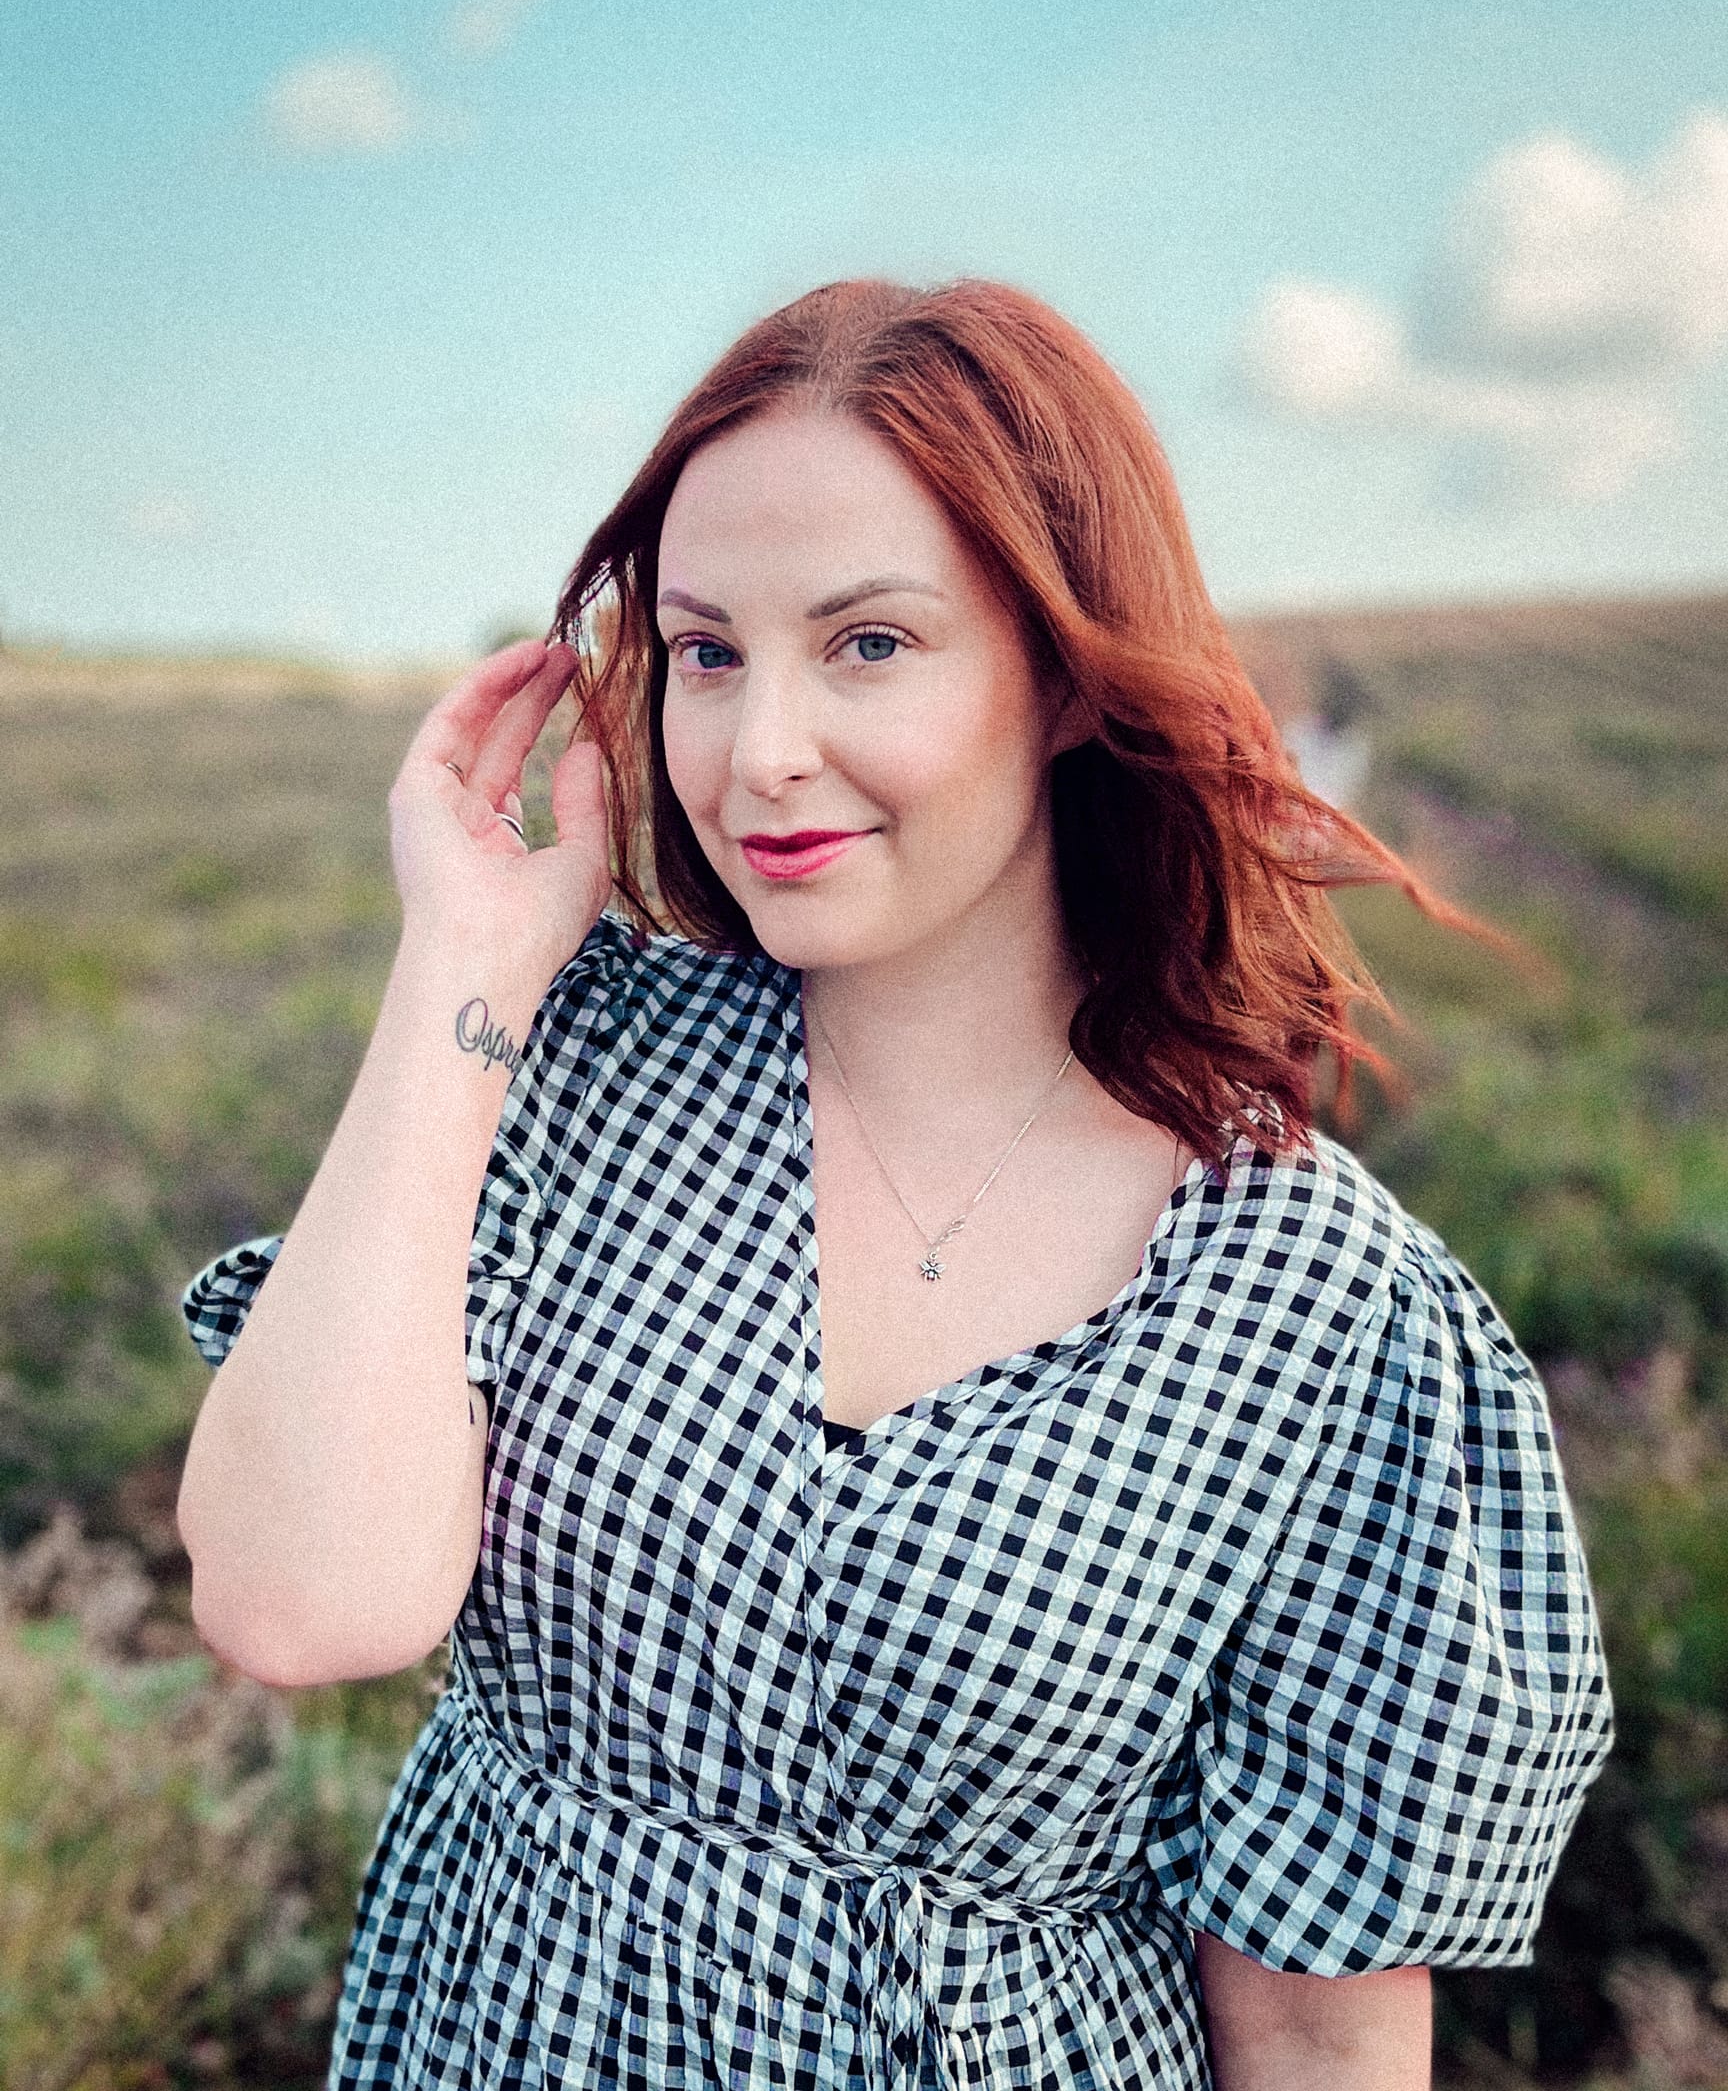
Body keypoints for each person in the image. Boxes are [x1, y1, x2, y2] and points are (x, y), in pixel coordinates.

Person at [175, 276, 1616, 2091]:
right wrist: (467, 963)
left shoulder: (1329, 1320)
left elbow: (1322, 2032)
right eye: (708, 652)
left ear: (1073, 675)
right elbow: (297, 1604)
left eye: (867, 643)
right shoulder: (577, 1072)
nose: (761, 747)